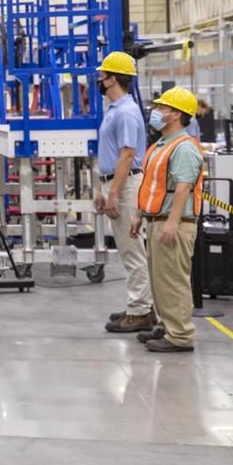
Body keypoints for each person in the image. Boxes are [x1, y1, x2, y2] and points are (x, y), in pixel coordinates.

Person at [131, 87, 204, 353]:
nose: (156, 112)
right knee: (159, 279)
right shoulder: (161, 145)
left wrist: (172, 222)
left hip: (174, 223)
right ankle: (167, 325)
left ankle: (181, 336)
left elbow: (183, 187)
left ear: (175, 114)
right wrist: (139, 215)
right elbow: (152, 185)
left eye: (161, 108)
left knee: (173, 280)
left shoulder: (184, 147)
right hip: (156, 219)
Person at [94, 53, 152, 335]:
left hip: (126, 184)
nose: (99, 81)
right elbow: (109, 153)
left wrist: (114, 192)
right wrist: (100, 188)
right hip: (115, 182)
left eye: (103, 76)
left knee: (132, 250)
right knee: (128, 249)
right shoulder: (115, 109)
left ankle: (141, 311)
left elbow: (127, 155)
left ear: (112, 78)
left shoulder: (126, 112)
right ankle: (139, 305)